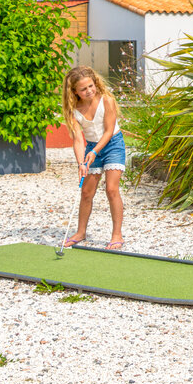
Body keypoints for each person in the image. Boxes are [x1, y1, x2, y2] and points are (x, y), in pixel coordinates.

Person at [60, 66, 126, 250]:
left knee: (111, 189)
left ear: (95, 83)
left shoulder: (107, 100)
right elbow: (78, 140)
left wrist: (94, 152)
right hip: (90, 147)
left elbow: (107, 132)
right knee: (86, 192)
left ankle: (116, 234)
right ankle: (80, 232)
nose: (89, 91)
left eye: (91, 86)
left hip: (112, 144)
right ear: (74, 92)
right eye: (83, 89)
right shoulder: (73, 110)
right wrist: (81, 162)